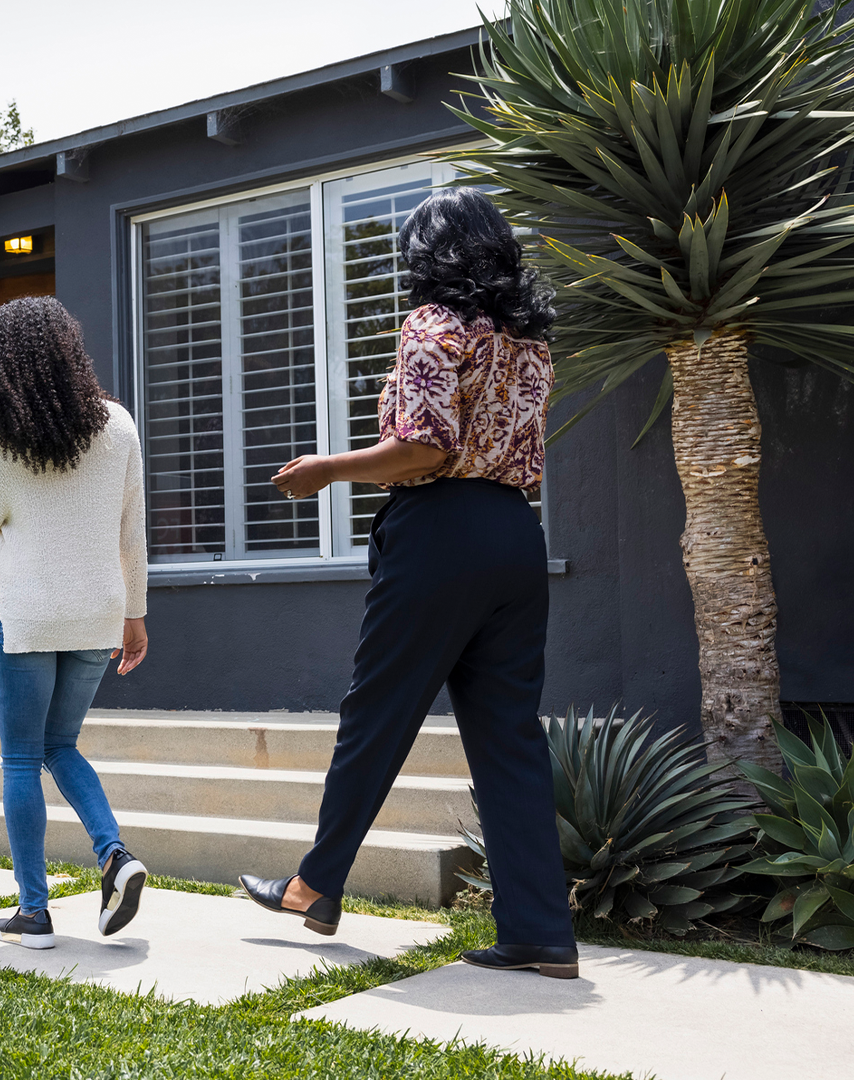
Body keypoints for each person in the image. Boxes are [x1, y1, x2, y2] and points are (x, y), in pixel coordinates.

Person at [237, 188, 579, 979]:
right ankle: (539, 932)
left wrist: (327, 471)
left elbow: (424, 448)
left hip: (441, 536)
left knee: (378, 714)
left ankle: (315, 885)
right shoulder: (529, 340)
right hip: (515, 537)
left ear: (430, 255)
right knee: (509, 738)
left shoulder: (431, 326)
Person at [0, 296, 151, 950]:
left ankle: (34, 912)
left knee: (21, 757)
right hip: (98, 613)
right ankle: (114, 855)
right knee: (60, 745)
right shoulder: (120, 425)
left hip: (30, 617)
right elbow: (133, 535)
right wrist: (135, 613)